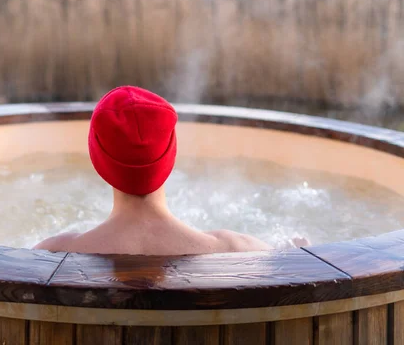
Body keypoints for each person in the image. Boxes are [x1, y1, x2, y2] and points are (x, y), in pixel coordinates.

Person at [34, 86, 309, 255]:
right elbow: (298, 267)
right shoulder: (237, 248)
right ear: (170, 157)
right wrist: (300, 254)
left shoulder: (55, 252)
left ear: (100, 163)